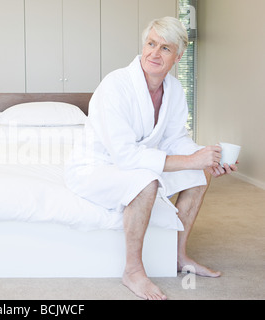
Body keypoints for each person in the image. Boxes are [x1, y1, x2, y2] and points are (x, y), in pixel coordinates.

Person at [64, 17, 238, 300]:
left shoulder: (174, 90)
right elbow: (125, 155)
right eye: (151, 43)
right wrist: (192, 160)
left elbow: (174, 139)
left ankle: (178, 256)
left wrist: (208, 157)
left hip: (133, 163)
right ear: (143, 45)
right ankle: (132, 270)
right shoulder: (116, 85)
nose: (155, 53)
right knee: (146, 182)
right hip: (95, 167)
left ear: (178, 56)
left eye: (165, 48)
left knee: (199, 175)